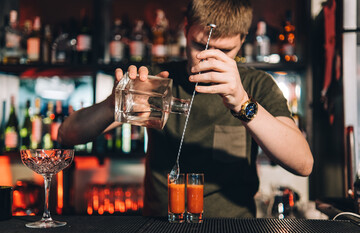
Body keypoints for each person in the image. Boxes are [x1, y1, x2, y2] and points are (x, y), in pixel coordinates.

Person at [58, 0, 313, 218]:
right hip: (159, 227)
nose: (208, 59)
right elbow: (68, 134)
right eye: (199, 46)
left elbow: (303, 163)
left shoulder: (256, 85)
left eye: (224, 51)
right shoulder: (159, 79)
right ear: (185, 29)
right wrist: (114, 103)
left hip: (233, 229)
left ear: (242, 40)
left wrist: (242, 103)